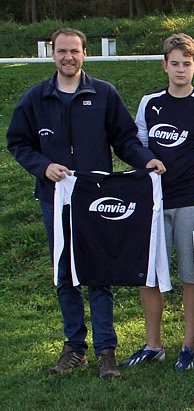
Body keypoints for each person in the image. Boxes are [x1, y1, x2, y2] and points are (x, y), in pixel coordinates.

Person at [6, 27, 165, 378]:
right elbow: (18, 143)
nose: (68, 57)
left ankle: (106, 350)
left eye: (74, 51)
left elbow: (125, 139)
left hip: (96, 200)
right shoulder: (35, 98)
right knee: (65, 273)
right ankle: (74, 348)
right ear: (52, 53)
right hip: (55, 199)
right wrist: (43, 166)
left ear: (84, 54)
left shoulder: (103, 93)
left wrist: (146, 160)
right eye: (62, 51)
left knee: (99, 273)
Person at [122, 33, 194, 372]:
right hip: (153, 203)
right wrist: (145, 168)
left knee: (191, 276)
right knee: (149, 274)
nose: (181, 69)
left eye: (187, 64)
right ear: (165, 65)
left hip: (191, 201)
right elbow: (137, 147)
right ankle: (154, 345)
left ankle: (188, 347)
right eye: (175, 63)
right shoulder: (149, 102)